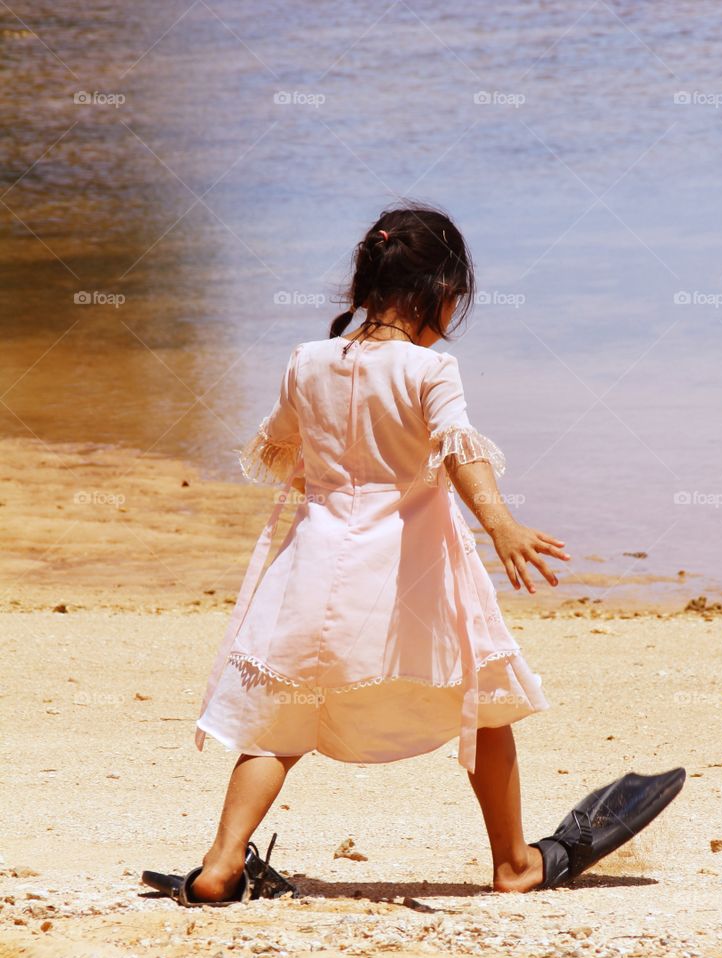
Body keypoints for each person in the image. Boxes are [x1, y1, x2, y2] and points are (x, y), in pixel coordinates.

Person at [172, 203, 683, 906]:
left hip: (315, 573)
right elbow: (458, 449)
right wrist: (499, 523)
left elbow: (277, 446)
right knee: (484, 707)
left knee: (277, 726)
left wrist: (333, 464)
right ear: (440, 292)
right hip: (409, 577)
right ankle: (513, 863)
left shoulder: (306, 361)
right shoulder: (430, 370)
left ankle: (221, 862)